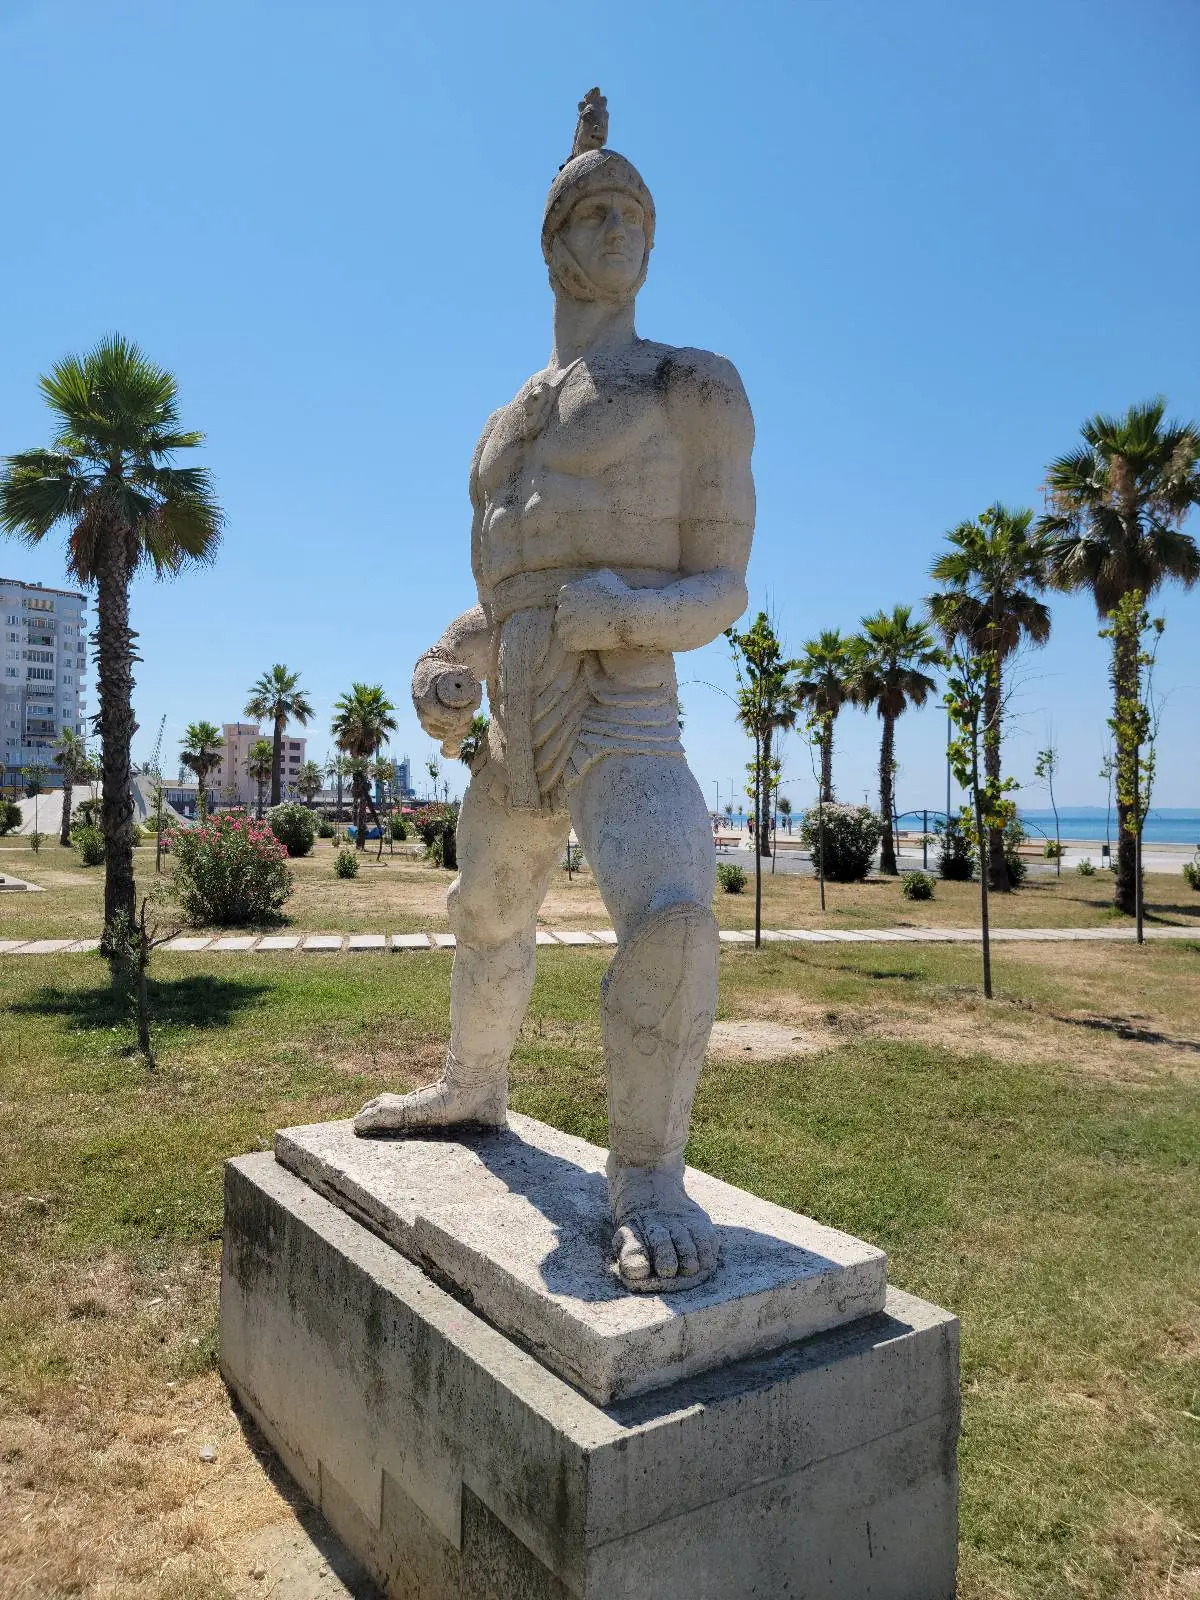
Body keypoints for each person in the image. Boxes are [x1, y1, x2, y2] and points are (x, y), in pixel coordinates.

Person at [354, 92, 755, 1293]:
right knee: (486, 916)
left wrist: (628, 614)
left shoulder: (693, 387)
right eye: (593, 208)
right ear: (554, 242)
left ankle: (649, 1175)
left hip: (624, 708)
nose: (619, 225)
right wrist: (447, 664)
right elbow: (503, 595)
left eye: (634, 210)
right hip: (514, 720)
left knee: (675, 917)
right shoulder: (500, 432)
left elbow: (724, 585)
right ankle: (473, 1087)